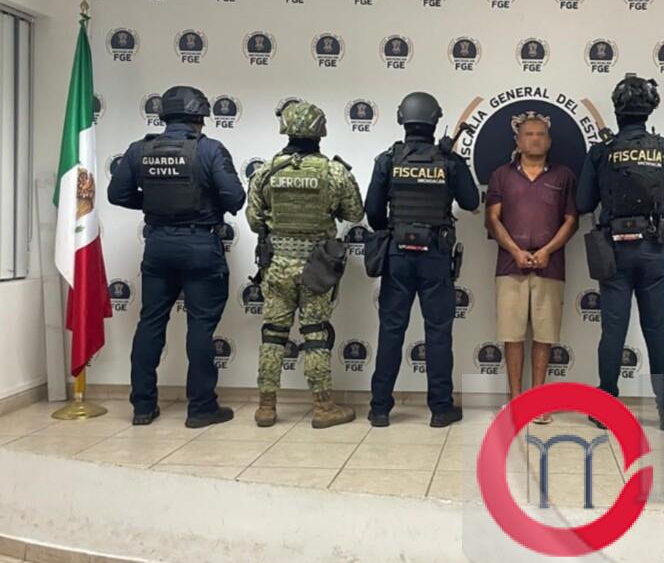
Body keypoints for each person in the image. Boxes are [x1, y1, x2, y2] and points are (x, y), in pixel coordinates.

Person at [107, 85, 245, 428]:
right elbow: (234, 198)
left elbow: (117, 194)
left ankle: (142, 407)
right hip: (200, 245)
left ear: (165, 115)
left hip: (158, 245)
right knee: (200, 327)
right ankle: (201, 409)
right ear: (199, 116)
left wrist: (154, 203)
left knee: (151, 321)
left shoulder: (139, 150)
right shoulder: (209, 149)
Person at [576, 74, 664, 431]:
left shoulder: (601, 152)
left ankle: (605, 406)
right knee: (657, 329)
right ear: (650, 110)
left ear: (617, 110)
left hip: (614, 251)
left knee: (613, 330)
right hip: (654, 250)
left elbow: (583, 203)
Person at [246, 101, 364, 429]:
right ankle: (323, 408)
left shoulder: (266, 171)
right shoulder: (334, 172)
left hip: (276, 266)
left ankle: (266, 407)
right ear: (320, 132)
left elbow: (254, 221)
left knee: (273, 334)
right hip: (317, 268)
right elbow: (355, 213)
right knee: (315, 335)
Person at [365, 92, 480, 428]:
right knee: (438, 333)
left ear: (402, 118)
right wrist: (452, 163)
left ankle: (380, 409)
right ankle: (441, 409)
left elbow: (373, 213)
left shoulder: (388, 159)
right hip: (435, 255)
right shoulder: (449, 161)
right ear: (434, 120)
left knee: (391, 330)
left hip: (398, 254)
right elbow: (471, 201)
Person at [485, 111, 579, 418]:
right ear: (518, 140)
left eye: (541, 134)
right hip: (509, 265)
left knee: (544, 335)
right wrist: (514, 250)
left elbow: (571, 220)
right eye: (529, 134)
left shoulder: (564, 176)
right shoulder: (501, 175)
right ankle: (516, 400)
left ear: (549, 141)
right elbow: (492, 219)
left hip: (550, 265)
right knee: (512, 335)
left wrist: (548, 250)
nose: (535, 139)